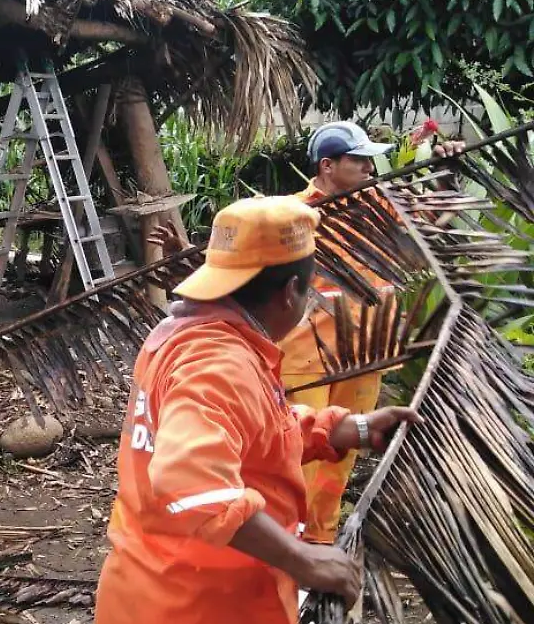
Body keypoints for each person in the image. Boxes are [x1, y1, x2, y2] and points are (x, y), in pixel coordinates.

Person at [95, 195, 423, 624]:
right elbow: (192, 486)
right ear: (291, 292)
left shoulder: (190, 334)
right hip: (198, 604)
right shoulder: (219, 363)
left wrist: (350, 429)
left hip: (157, 585)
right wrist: (300, 558)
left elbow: (258, 427)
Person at [147, 121, 463, 544]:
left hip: (366, 355)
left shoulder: (379, 204)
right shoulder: (292, 217)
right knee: (297, 450)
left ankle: (320, 537)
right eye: (359, 159)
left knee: (341, 451)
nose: (370, 166)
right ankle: (286, 537)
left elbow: (432, 225)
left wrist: (447, 172)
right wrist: (183, 256)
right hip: (306, 356)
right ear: (328, 166)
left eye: (371, 158)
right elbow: (238, 271)